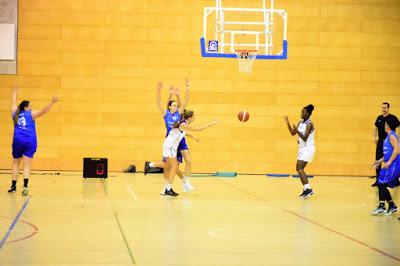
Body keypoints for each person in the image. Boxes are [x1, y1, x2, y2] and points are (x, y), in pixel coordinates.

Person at [145, 79, 197, 193]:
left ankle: (177, 184)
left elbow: (186, 101)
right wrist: (158, 91)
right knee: (169, 166)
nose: (176, 106)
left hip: (178, 141)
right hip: (169, 143)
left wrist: (187, 88)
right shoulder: (166, 114)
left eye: (176, 105)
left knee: (177, 164)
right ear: (169, 107)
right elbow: (158, 102)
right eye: (174, 105)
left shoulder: (179, 113)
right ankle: (167, 187)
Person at [7, 86, 58, 196]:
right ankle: (25, 187)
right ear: (25, 107)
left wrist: (14, 93)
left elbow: (13, 103)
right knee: (26, 165)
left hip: (17, 140)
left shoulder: (15, 113)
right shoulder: (30, 114)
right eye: (30, 106)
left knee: (15, 163)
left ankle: (13, 186)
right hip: (29, 141)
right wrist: (52, 102)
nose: (31, 108)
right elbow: (43, 111)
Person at [162, 110, 217, 196]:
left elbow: (183, 132)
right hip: (171, 146)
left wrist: (192, 136)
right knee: (172, 166)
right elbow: (198, 129)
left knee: (173, 166)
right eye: (194, 116)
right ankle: (168, 187)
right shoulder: (183, 124)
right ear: (190, 117)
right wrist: (211, 124)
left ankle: (174, 185)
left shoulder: (184, 124)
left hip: (170, 145)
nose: (195, 117)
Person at [284, 104, 316, 198]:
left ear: (308, 113)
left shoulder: (309, 123)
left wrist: (298, 131)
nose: (301, 113)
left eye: (303, 112)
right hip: (302, 148)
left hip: (308, 148)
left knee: (300, 168)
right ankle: (306, 189)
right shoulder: (301, 122)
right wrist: (288, 123)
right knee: (298, 168)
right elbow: (292, 133)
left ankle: (309, 189)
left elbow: (305, 138)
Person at [371, 118, 400, 215]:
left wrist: (390, 161)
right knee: (380, 182)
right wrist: (379, 161)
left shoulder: (392, 136)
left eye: (385, 124)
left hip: (394, 164)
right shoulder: (389, 136)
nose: (384, 125)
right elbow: (389, 153)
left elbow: (397, 150)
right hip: (390, 163)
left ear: (388, 125)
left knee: (381, 183)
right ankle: (390, 206)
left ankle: (383, 206)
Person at [372, 102, 400, 186]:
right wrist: (374, 137)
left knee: (392, 159)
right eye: (382, 107)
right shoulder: (379, 118)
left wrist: (397, 137)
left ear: (388, 108)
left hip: (390, 142)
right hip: (381, 141)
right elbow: (375, 128)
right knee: (378, 160)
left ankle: (395, 181)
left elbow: (398, 127)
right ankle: (378, 180)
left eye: (385, 108)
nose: (383, 109)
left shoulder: (393, 118)